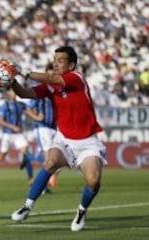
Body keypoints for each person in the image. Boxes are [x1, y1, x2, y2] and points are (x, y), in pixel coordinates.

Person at [8, 46, 107, 231]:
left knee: (93, 181)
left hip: (87, 142)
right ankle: (27, 206)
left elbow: (52, 78)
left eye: (61, 60)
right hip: (64, 139)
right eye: (55, 59)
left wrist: (23, 71)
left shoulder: (76, 78)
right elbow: (23, 93)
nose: (55, 62)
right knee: (50, 162)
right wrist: (10, 80)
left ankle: (81, 211)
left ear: (71, 65)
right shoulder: (50, 86)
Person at [0, 86, 32, 182]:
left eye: (15, 91)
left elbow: (30, 112)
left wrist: (37, 116)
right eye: (12, 91)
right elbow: (1, 121)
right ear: (8, 93)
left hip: (18, 135)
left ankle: (31, 179)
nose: (14, 93)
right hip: (8, 135)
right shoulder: (5, 106)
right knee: (1, 157)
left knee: (26, 153)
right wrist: (13, 127)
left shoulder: (21, 104)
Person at [25, 62, 58, 189]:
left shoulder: (58, 90)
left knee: (60, 159)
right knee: (48, 159)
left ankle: (29, 157)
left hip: (54, 127)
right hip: (42, 127)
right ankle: (41, 187)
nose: (52, 75)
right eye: (50, 73)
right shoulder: (41, 89)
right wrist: (36, 117)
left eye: (54, 73)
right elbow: (28, 109)